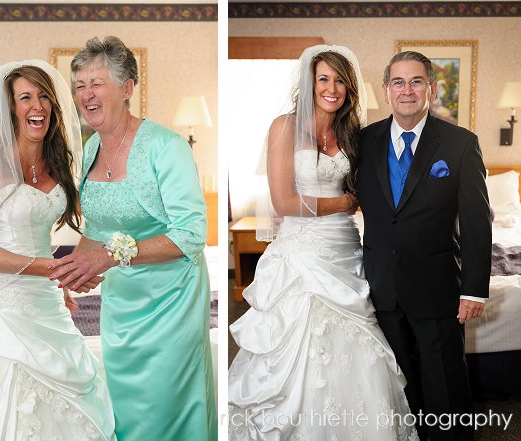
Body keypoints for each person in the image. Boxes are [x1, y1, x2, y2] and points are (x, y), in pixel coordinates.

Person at [227, 45, 419, 440]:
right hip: (301, 253)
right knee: (295, 344)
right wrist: (348, 202)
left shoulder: (354, 133)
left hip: (344, 250)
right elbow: (284, 202)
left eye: (340, 81)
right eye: (324, 79)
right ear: (309, 83)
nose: (332, 88)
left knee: (358, 344)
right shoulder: (283, 126)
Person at [0, 61, 115, 441]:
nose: (38, 106)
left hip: (43, 300)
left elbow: (38, 235)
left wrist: (59, 281)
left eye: (44, 96)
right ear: (9, 107)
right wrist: (55, 269)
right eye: (25, 97)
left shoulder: (59, 162)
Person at [48, 36, 217, 441]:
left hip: (172, 301)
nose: (86, 94)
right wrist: (68, 275)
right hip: (122, 307)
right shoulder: (87, 152)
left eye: (96, 83)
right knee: (125, 410)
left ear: (126, 88)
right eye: (80, 85)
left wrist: (106, 258)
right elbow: (97, 230)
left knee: (165, 407)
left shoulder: (166, 146)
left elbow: (192, 234)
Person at [356, 51, 491, 441]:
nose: (407, 90)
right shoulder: (365, 141)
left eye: (416, 81)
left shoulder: (461, 144)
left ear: (431, 88)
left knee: (445, 383)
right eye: (398, 82)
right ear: (386, 91)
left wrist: (474, 289)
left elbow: (477, 222)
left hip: (437, 287)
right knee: (399, 383)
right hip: (381, 285)